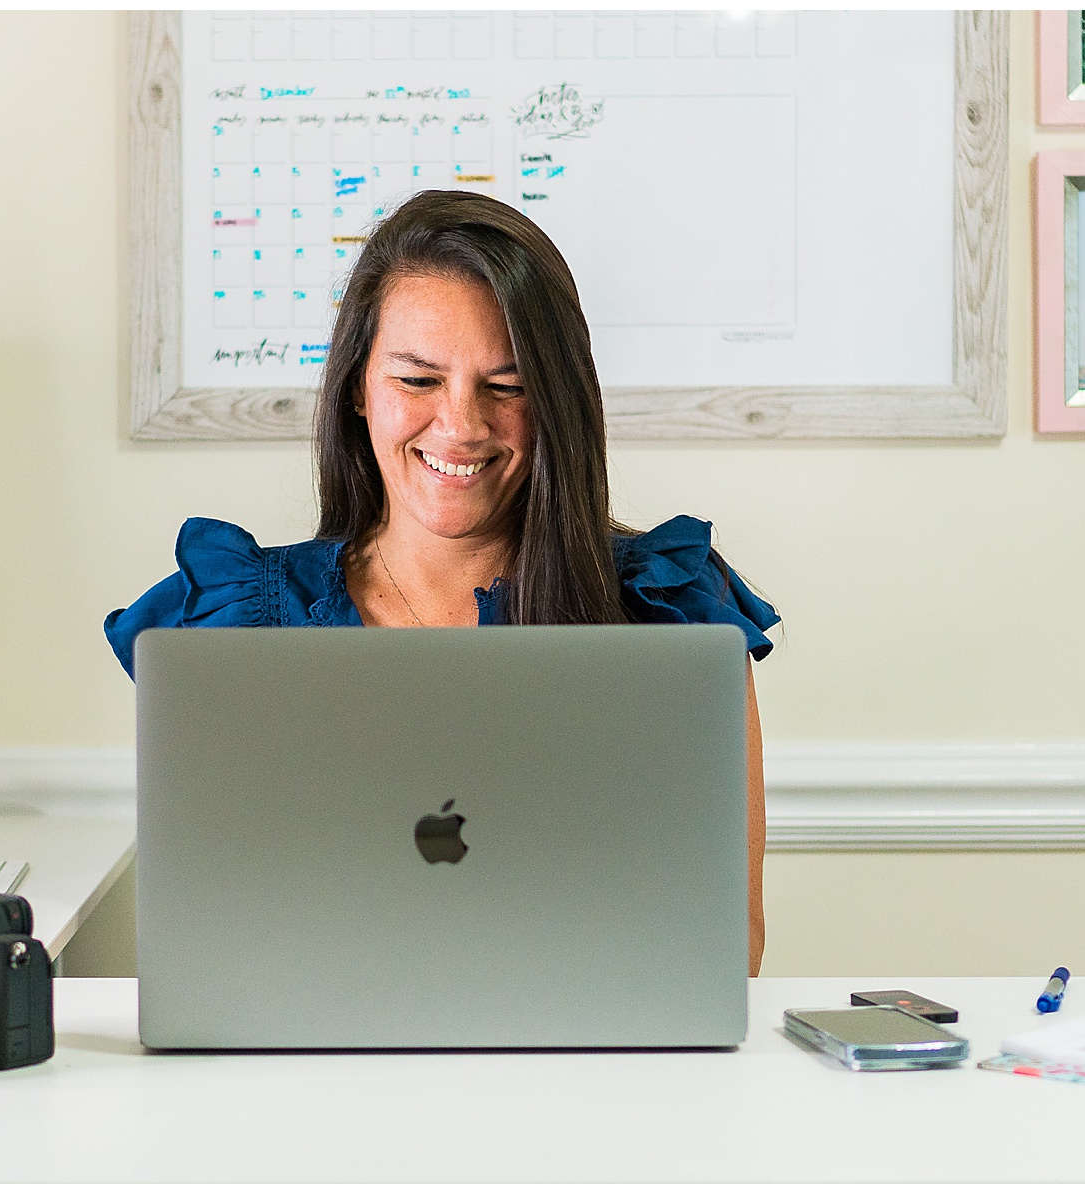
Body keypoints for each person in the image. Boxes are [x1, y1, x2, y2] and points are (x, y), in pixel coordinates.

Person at [105, 190, 781, 972]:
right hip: (308, 1077)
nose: (461, 425)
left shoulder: (673, 616)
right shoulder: (234, 622)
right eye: (419, 380)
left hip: (596, 1075)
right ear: (359, 388)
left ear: (557, 402)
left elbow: (732, 944)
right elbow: (210, 942)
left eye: (508, 385)